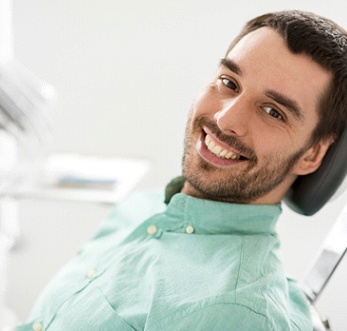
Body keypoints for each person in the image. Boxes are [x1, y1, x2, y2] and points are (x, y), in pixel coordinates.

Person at [17, 10, 347, 331]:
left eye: (273, 112)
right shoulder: (140, 209)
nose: (225, 119)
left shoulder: (236, 313)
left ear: (313, 154)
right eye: (229, 82)